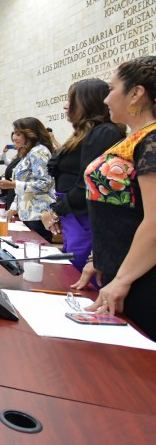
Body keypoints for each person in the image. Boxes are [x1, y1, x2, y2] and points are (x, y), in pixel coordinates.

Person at [73, 57, 156, 339]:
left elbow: (154, 220)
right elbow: (121, 208)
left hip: (141, 278)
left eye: (112, 88)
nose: (106, 98)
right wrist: (101, 258)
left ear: (136, 93)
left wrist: (123, 278)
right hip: (120, 271)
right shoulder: (133, 139)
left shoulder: (152, 140)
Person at [39, 79, 126, 273]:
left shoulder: (103, 133)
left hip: (84, 217)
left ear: (87, 102)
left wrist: (56, 212)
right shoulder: (86, 133)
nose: (65, 105)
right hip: (73, 214)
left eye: (70, 100)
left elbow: (88, 184)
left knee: (79, 276)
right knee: (70, 271)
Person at [0, 117, 56, 242]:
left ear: (30, 134)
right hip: (28, 214)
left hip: (38, 214)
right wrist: (13, 208)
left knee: (37, 257)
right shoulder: (28, 153)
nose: (14, 138)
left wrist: (13, 185)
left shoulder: (39, 151)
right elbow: (22, 186)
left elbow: (45, 183)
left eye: (18, 134)